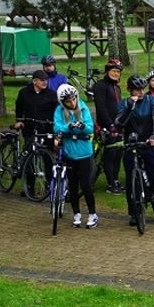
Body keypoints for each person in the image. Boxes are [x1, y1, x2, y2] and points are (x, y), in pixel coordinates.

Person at [115, 75, 154, 226]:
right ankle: (134, 212)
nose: (140, 93)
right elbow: (119, 124)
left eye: (142, 89)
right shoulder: (123, 103)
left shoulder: (151, 100)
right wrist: (130, 107)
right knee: (132, 179)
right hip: (131, 145)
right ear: (129, 90)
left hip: (148, 143)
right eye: (137, 90)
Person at [53, 84, 98, 228]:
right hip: (69, 153)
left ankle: (92, 214)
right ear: (62, 102)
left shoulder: (83, 108)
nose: (72, 103)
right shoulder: (59, 111)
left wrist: (82, 127)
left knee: (85, 185)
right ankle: (76, 213)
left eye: (73, 99)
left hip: (84, 153)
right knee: (72, 185)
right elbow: (57, 127)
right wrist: (69, 127)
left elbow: (90, 127)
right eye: (68, 101)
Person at [15, 69, 58, 194]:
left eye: (46, 80)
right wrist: (19, 120)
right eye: (42, 80)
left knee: (47, 157)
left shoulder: (51, 94)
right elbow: (19, 107)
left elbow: (56, 111)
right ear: (35, 81)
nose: (45, 82)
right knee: (29, 155)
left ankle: (49, 185)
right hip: (30, 128)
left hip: (46, 129)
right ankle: (29, 186)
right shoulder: (24, 93)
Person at [92, 60, 124, 194]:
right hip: (106, 126)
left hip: (118, 126)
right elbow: (101, 107)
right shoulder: (100, 86)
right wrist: (109, 125)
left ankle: (115, 180)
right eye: (113, 71)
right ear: (107, 71)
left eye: (118, 72)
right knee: (110, 154)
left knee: (118, 154)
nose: (116, 74)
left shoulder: (116, 87)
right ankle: (110, 183)